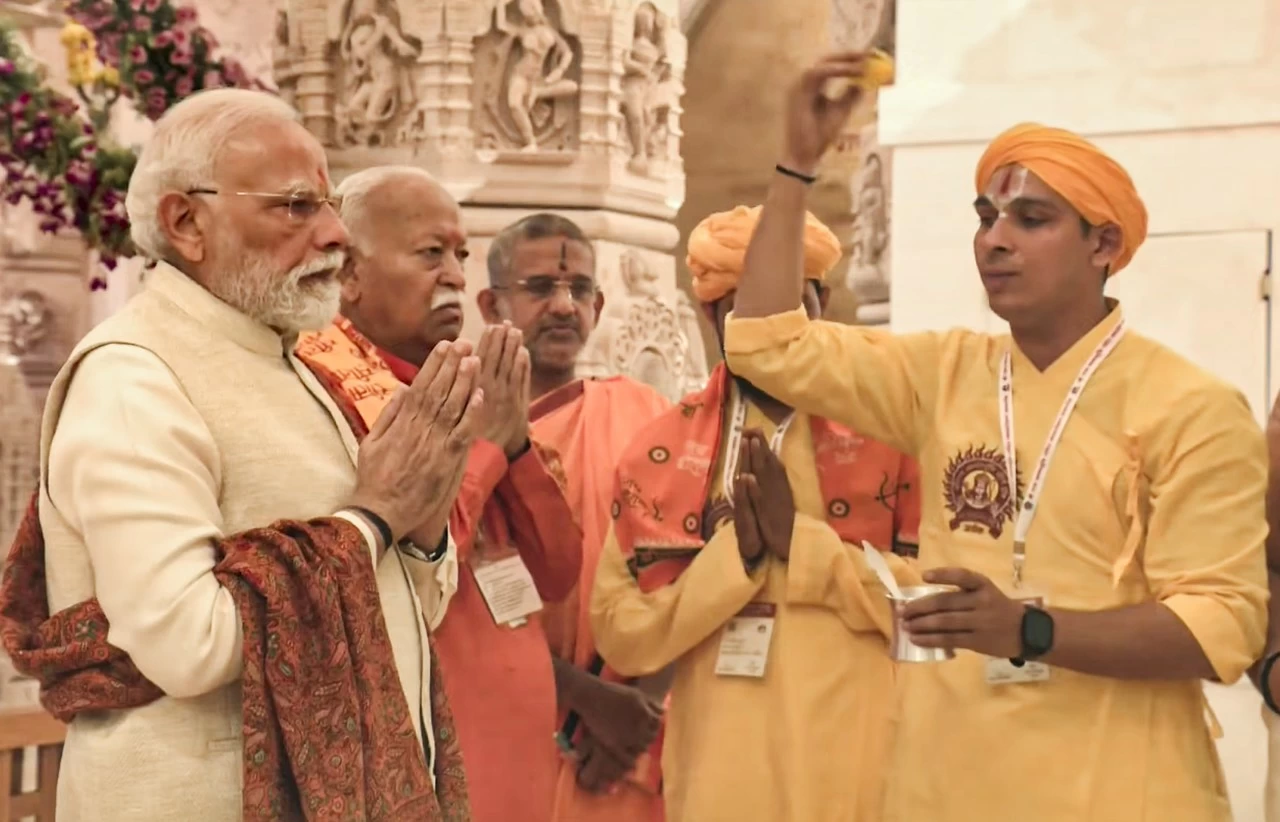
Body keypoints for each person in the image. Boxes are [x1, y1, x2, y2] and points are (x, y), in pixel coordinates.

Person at [722, 52, 1269, 822]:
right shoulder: (944, 373)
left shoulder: (1191, 407)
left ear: (1103, 244)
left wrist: (1030, 630)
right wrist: (795, 167)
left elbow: (1224, 625)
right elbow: (765, 344)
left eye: (1030, 219)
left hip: (1120, 791)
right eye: (986, 219)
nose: (995, 241)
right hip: (944, 785)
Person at [0, 90, 473, 820]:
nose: (335, 236)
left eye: (329, 206)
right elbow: (188, 643)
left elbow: (408, 607)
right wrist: (374, 518)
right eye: (295, 208)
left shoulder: (297, 365)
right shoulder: (135, 377)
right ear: (187, 222)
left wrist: (424, 517)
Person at [589, 203, 923, 822]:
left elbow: (937, 614)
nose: (773, 329)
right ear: (713, 315)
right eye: (751, 307)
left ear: (822, 304)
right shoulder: (661, 452)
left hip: (864, 768)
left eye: (793, 306)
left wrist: (803, 545)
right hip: (721, 773)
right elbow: (621, 634)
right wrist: (734, 561)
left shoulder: (893, 434)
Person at [294, 166, 583, 822]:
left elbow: (557, 572)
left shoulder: (470, 385)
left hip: (524, 759)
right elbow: (411, 576)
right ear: (348, 275)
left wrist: (511, 446)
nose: (455, 274)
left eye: (460, 255)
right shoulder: (326, 392)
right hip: (427, 754)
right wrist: (484, 448)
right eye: (430, 253)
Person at [477, 213, 672, 822]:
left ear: (600, 302)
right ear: (491, 304)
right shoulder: (460, 430)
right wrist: (578, 697)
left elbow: (691, 566)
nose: (563, 306)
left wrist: (634, 707)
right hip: (509, 715)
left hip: (635, 723)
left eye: (579, 290)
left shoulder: (647, 416)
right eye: (539, 289)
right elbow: (453, 597)